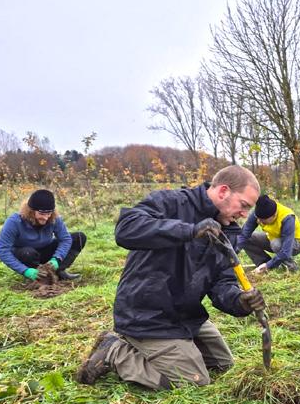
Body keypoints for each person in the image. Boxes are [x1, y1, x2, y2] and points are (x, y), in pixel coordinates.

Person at [75, 165, 266, 390]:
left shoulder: (228, 232)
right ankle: (115, 352)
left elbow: (222, 282)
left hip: (185, 316)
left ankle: (172, 351)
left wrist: (239, 300)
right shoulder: (172, 202)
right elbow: (126, 228)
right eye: (244, 205)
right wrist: (189, 231)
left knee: (222, 365)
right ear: (223, 191)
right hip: (146, 315)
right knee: (193, 382)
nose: (244, 215)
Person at [0, 188, 86, 281]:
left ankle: (58, 272)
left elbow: (65, 239)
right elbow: (2, 250)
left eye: (49, 213)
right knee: (28, 252)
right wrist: (25, 270)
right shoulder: (14, 222)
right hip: (26, 255)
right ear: (31, 211)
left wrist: (57, 258)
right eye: (42, 213)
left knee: (79, 237)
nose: (46, 217)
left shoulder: (54, 218)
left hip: (45, 251)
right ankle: (38, 276)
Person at [235, 194, 300, 273]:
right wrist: (233, 252)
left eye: (263, 220)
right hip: (273, 239)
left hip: (296, 243)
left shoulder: (287, 217)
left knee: (276, 244)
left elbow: (286, 250)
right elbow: (244, 235)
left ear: (274, 215)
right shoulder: (259, 213)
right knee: (249, 238)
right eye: (258, 219)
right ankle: (263, 266)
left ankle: (291, 268)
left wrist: (268, 265)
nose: (259, 221)